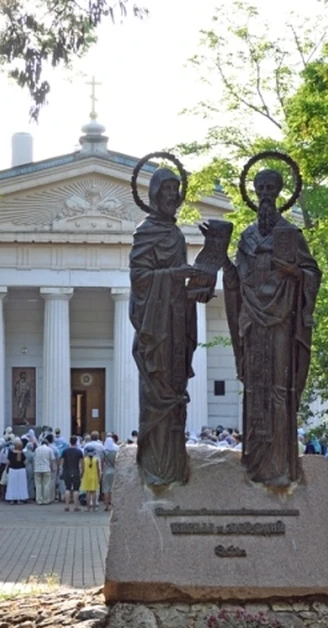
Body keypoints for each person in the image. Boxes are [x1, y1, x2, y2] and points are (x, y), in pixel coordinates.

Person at [223, 168, 321, 487]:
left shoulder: (291, 234)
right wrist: (222, 264)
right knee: (254, 387)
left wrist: (295, 272)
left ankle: (279, 463)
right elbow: (238, 279)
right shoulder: (248, 236)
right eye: (260, 187)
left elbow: (311, 273)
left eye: (270, 187)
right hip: (253, 320)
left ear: (279, 192)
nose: (265, 192)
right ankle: (255, 459)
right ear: (253, 193)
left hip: (280, 320)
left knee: (279, 388)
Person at [130, 166, 210, 487]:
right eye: (166, 191)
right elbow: (140, 279)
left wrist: (198, 286)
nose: (172, 198)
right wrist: (175, 276)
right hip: (156, 329)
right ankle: (154, 466)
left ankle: (174, 465)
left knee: (176, 390)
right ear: (153, 194)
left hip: (177, 323)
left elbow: (177, 279)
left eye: (175, 192)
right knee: (158, 388)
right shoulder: (146, 231)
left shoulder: (176, 234)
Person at [61, 435, 84, 512]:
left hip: (67, 471)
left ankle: (67, 506)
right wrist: (82, 472)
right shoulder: (79, 452)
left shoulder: (65, 451)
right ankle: (75, 506)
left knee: (67, 488)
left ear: (70, 441)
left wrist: (62, 469)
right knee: (76, 489)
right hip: (76, 471)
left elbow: (62, 462)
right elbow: (81, 464)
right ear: (76, 442)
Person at [33, 434, 56, 505]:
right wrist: (53, 468)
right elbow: (52, 460)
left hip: (37, 469)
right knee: (46, 485)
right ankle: (46, 500)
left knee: (38, 485)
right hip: (46, 468)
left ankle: (39, 500)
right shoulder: (49, 450)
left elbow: (34, 459)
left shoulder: (36, 449)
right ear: (47, 444)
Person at [5, 440, 29, 504]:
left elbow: (8, 462)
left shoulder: (10, 453)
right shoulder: (22, 454)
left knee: (12, 485)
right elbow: (26, 462)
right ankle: (19, 499)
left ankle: (12, 499)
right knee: (20, 485)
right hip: (21, 470)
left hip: (12, 470)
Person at [101, 434, 118, 512]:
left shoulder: (104, 451)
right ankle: (112, 505)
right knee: (112, 489)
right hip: (114, 470)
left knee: (106, 489)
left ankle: (106, 505)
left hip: (106, 469)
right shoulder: (115, 451)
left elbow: (102, 462)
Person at [81, 447, 101, 512]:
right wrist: (99, 477)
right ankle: (94, 508)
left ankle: (88, 508)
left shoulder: (84, 460)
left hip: (87, 477)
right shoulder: (96, 460)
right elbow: (98, 469)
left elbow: (83, 470)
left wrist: (81, 476)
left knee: (88, 492)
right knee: (94, 492)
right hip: (94, 476)